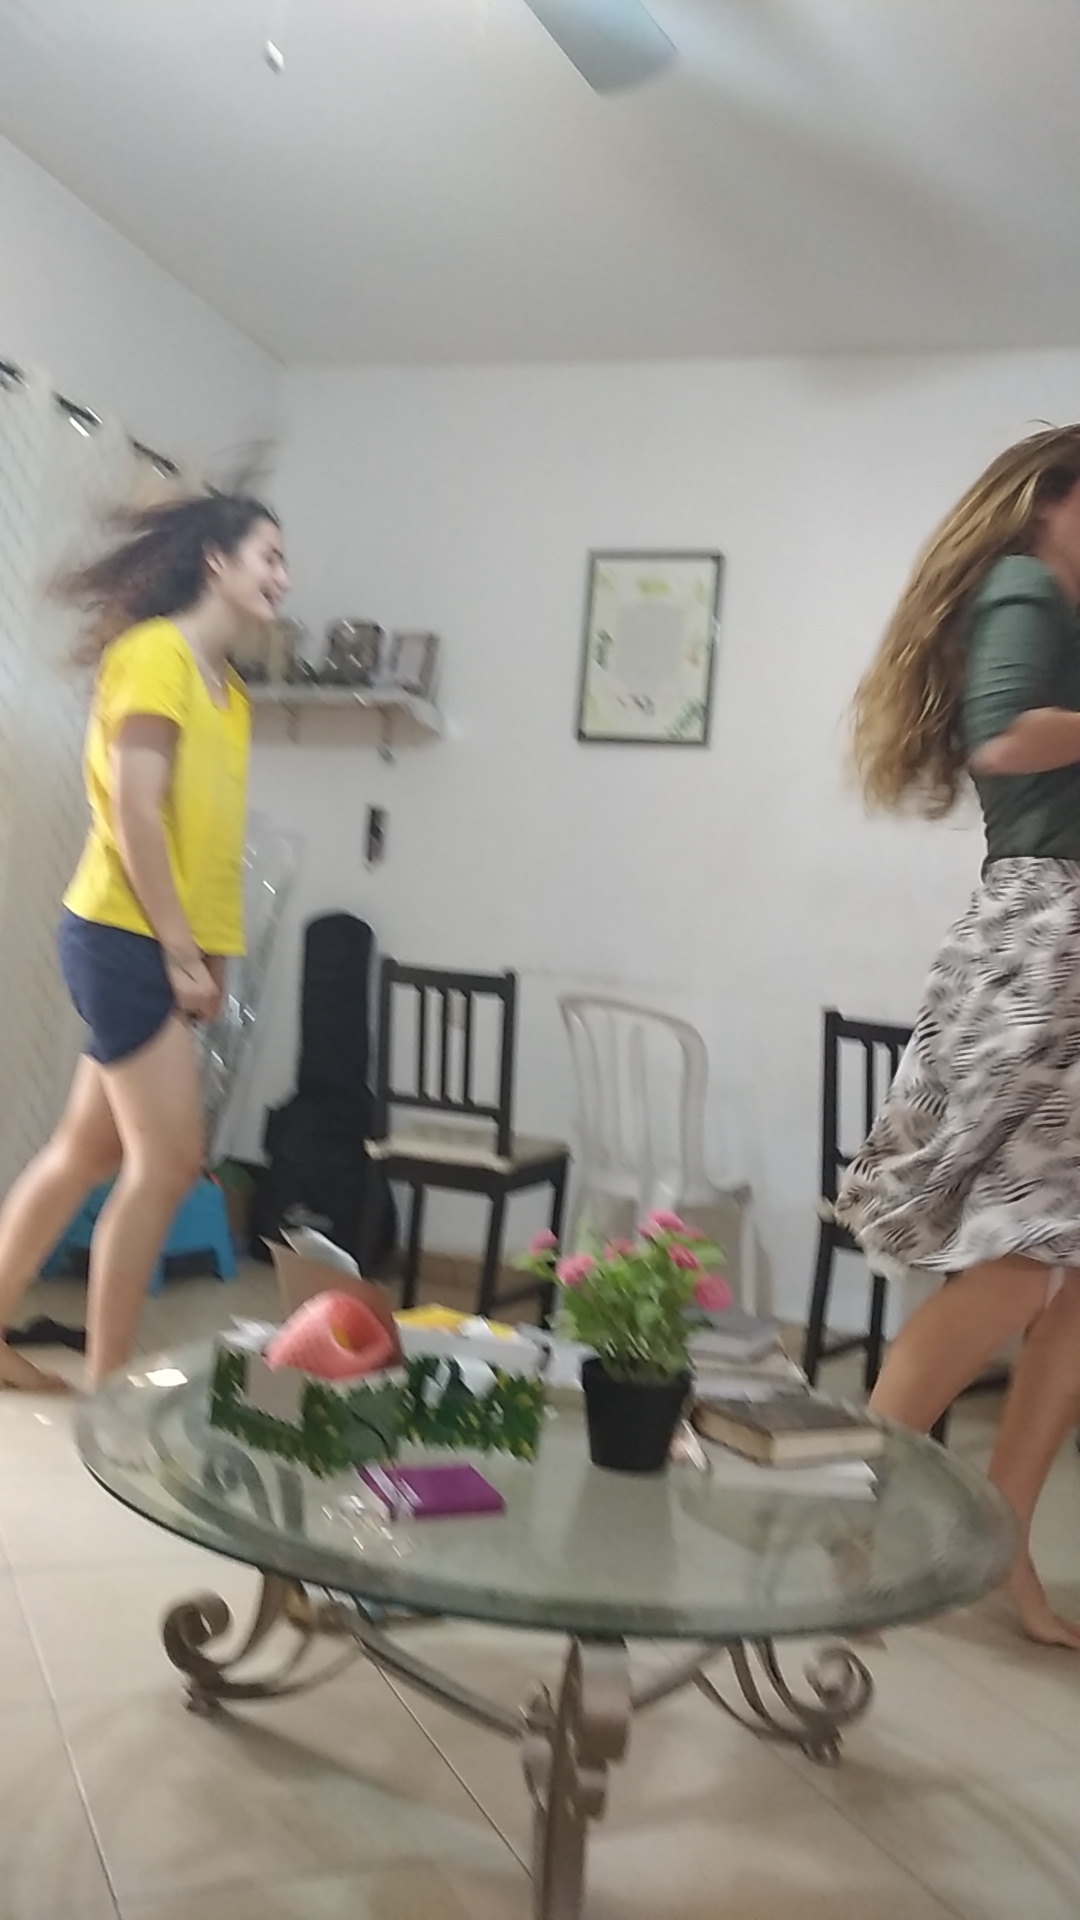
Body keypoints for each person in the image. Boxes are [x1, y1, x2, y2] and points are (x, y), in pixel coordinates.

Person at [836, 423, 1080, 1650]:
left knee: (1068, 1279)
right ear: (1050, 503)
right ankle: (860, 1525)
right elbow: (1004, 735)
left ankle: (1001, 1546)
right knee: (1019, 1265)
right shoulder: (1027, 583)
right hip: (1051, 940)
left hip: (1059, 938)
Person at [0, 492, 288, 1394]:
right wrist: (176, 951)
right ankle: (112, 1389)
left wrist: (215, 957)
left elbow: (211, 846)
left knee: (86, 1153)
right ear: (215, 561)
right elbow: (135, 813)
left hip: (160, 941)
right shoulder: (155, 656)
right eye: (269, 556)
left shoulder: (230, 695)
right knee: (166, 1163)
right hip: (120, 934)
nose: (283, 577)